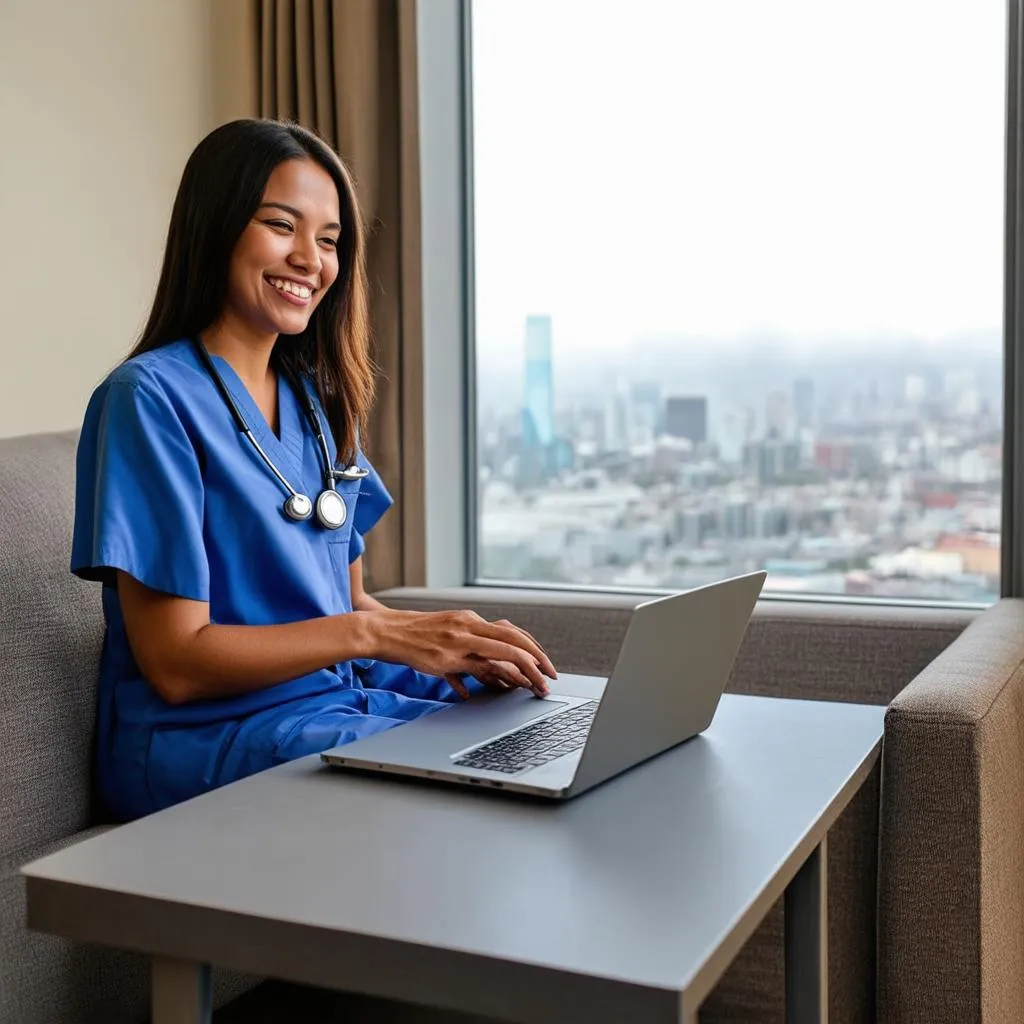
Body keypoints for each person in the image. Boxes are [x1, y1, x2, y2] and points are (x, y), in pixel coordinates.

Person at [71, 119, 557, 822]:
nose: (311, 258)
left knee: (522, 721)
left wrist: (453, 651)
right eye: (281, 225)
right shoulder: (147, 401)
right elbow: (175, 665)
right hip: (198, 742)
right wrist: (384, 636)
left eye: (329, 240)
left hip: (328, 705)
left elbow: (349, 605)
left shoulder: (319, 402)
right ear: (217, 228)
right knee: (489, 795)